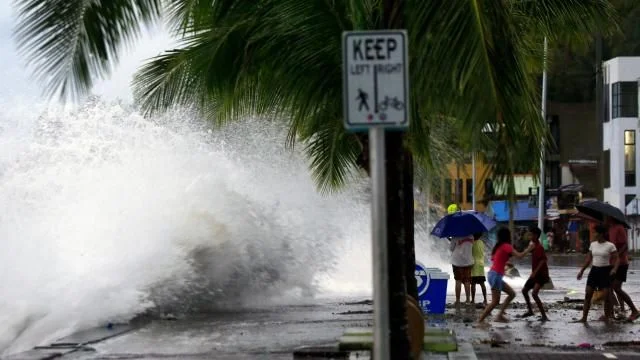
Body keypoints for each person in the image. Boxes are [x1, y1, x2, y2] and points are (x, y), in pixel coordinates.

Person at [478, 227, 532, 324]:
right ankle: (480, 321)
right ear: (507, 236)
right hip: (496, 276)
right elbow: (520, 256)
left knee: (512, 294)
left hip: (493, 274)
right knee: (495, 302)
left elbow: (495, 260)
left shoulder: (498, 246)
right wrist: (529, 249)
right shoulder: (507, 246)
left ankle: (500, 315)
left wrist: (506, 263)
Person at [575, 224, 619, 323]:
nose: (594, 234)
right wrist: (581, 271)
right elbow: (588, 259)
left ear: (601, 234)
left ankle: (607, 317)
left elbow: (617, 259)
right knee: (588, 294)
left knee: (606, 296)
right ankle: (584, 318)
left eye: (596, 232)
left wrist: (614, 269)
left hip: (605, 271)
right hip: (594, 271)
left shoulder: (610, 245)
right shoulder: (593, 244)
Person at [605, 216, 640, 321]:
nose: (605, 219)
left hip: (621, 263)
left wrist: (617, 255)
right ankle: (609, 313)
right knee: (608, 288)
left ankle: (634, 310)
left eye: (606, 218)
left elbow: (625, 245)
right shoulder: (609, 229)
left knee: (616, 287)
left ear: (611, 218)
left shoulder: (619, 227)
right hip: (610, 263)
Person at [519, 225, 550, 321]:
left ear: (536, 236)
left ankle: (544, 316)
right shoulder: (533, 245)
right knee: (524, 290)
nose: (529, 237)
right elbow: (525, 253)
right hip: (534, 274)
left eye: (531, 235)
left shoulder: (539, 247)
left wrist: (534, 272)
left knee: (534, 293)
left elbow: (543, 261)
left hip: (541, 274)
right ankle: (530, 310)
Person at [450, 235, 474, 308]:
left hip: (457, 261)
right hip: (468, 261)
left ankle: (458, 301)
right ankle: (468, 300)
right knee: (467, 281)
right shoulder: (471, 236)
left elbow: (451, 249)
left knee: (458, 281)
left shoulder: (455, 236)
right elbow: (470, 247)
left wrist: (452, 241)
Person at [471, 233, 488, 306]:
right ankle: (485, 299)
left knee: (473, 284)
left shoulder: (471, 243)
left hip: (474, 264)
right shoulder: (481, 242)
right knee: (482, 283)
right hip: (481, 264)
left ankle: (473, 300)